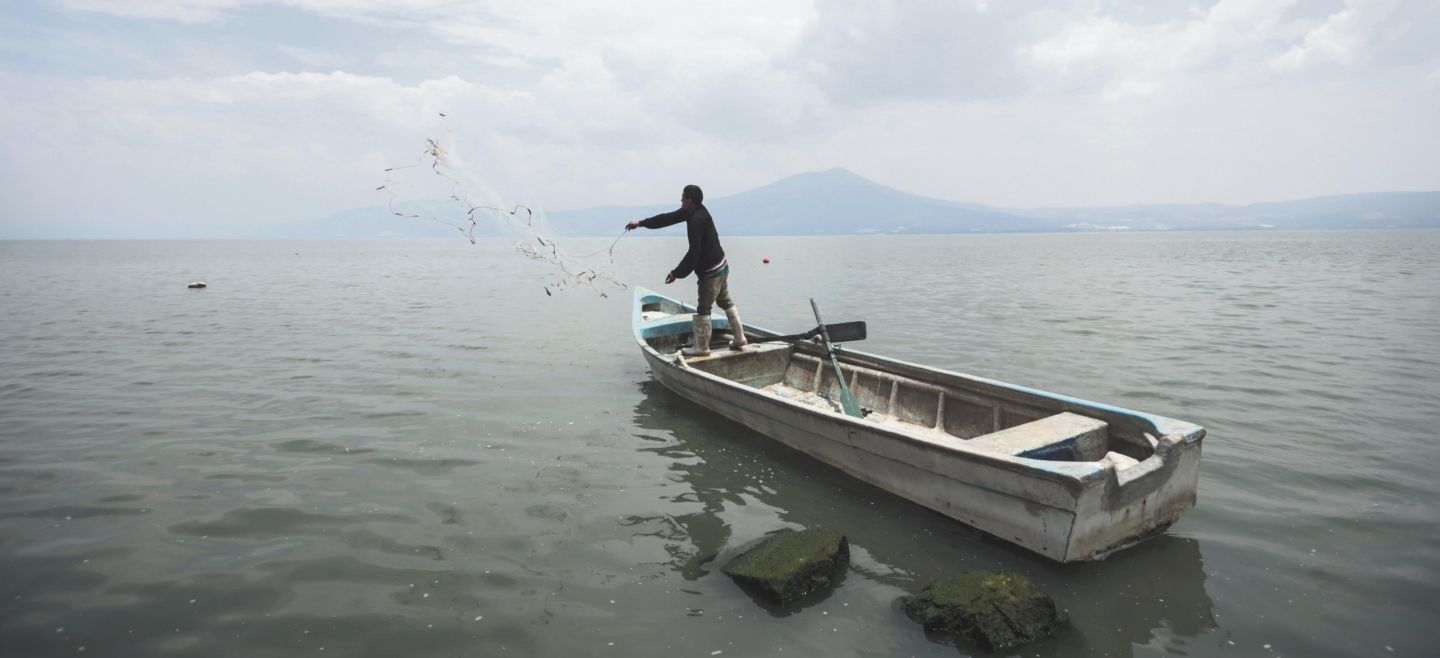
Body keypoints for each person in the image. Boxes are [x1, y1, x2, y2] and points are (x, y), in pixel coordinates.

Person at [626, 184, 747, 357]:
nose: (680, 200)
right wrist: (641, 223)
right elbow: (666, 218)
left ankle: (701, 348)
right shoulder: (694, 211)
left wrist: (677, 273)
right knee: (725, 301)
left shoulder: (696, 219)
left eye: (682, 197)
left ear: (689, 200)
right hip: (722, 265)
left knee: (704, 309)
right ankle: (740, 338)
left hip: (711, 271)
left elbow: (694, 253)